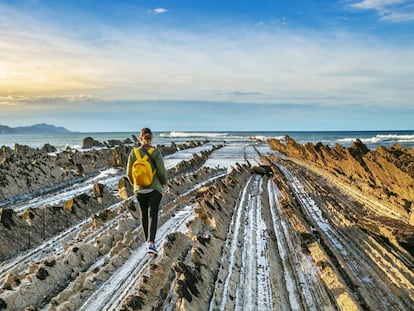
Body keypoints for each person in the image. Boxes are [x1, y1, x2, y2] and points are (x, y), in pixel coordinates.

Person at [127, 128, 168, 255]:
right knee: (153, 214)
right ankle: (151, 243)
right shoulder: (155, 152)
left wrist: (136, 185)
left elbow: (129, 173)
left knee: (144, 215)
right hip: (154, 188)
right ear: (151, 139)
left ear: (140, 138)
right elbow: (161, 172)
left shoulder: (134, 153)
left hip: (139, 190)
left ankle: (147, 243)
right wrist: (164, 182)